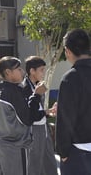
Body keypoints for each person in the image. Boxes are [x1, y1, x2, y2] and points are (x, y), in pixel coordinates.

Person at [0, 56, 46, 175]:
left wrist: (0, 139)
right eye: (19, 69)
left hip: (0, 148)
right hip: (17, 149)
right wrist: (36, 95)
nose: (22, 71)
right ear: (8, 72)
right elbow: (28, 119)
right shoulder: (15, 92)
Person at [56, 29, 91, 174]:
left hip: (79, 152)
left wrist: (63, 152)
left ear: (67, 51)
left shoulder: (71, 78)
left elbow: (65, 120)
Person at [21, 56, 58, 175]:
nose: (43, 73)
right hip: (34, 130)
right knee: (35, 164)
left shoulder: (38, 85)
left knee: (50, 162)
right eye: (41, 70)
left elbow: (38, 110)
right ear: (32, 71)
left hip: (44, 128)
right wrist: (46, 112)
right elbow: (31, 114)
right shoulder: (24, 87)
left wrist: (49, 112)